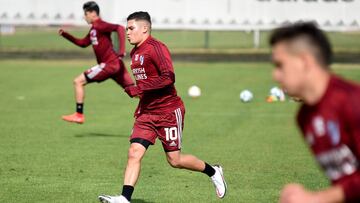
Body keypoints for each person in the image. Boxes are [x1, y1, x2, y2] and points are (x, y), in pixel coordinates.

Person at [98, 11, 227, 203]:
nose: (127, 32)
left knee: (175, 160)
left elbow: (168, 77)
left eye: (131, 28)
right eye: (126, 28)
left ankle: (213, 171)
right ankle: (124, 198)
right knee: (134, 152)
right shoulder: (135, 53)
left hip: (168, 111)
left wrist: (140, 88)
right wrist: (137, 90)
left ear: (145, 29)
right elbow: (146, 82)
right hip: (146, 113)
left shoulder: (156, 48)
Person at [270, 22, 360, 203]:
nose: (275, 75)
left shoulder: (351, 102)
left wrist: (317, 198)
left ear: (305, 61)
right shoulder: (305, 117)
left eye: (280, 65)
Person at [59, 1, 134, 124]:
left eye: (86, 14)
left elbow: (119, 28)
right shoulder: (94, 28)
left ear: (93, 13)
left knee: (78, 81)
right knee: (133, 91)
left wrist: (121, 51)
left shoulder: (100, 25)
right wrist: (66, 35)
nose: (84, 17)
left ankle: (79, 114)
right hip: (116, 65)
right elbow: (83, 43)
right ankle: (160, 106)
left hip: (108, 65)